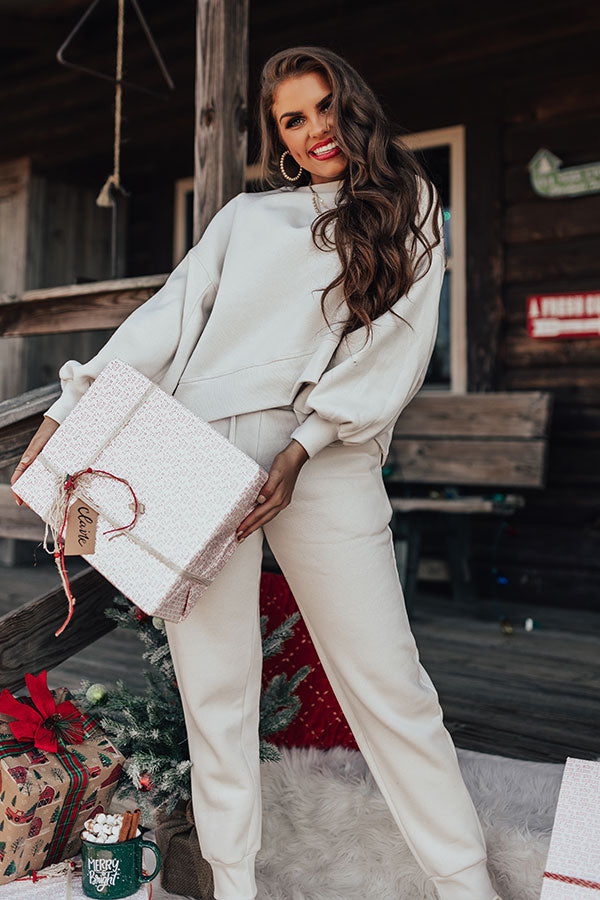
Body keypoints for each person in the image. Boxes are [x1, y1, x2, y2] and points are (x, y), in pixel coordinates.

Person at [11, 46, 503, 900]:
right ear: (278, 138)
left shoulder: (411, 205)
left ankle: (466, 884)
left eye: (326, 107)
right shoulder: (246, 217)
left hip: (324, 456)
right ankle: (234, 885)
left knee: (389, 680)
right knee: (216, 692)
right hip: (197, 450)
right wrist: (70, 406)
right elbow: (170, 316)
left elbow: (395, 346)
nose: (316, 131)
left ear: (355, 105)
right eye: (293, 120)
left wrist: (303, 447)